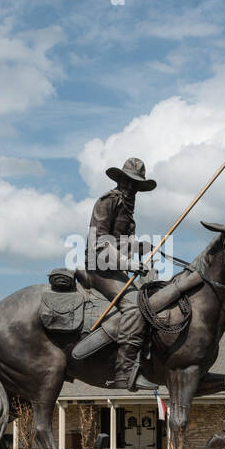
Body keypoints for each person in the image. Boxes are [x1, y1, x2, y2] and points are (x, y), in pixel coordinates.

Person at [88, 157, 157, 390]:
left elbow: (123, 243)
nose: (131, 189)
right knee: (134, 307)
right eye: (127, 183)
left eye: (135, 185)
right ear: (120, 181)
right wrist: (128, 261)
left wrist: (142, 248)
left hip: (116, 269)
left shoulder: (128, 211)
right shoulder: (107, 202)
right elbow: (99, 244)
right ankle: (124, 372)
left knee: (150, 303)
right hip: (99, 269)